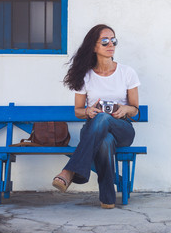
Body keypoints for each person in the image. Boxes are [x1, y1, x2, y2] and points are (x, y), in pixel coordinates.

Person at [52, 24, 140, 209]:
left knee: (104, 118)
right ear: (94, 46)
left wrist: (125, 109)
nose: (111, 44)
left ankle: (69, 171)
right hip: (95, 130)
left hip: (122, 128)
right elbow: (78, 111)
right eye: (105, 41)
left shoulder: (127, 72)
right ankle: (107, 199)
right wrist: (88, 111)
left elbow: (136, 110)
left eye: (113, 40)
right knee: (105, 139)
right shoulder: (85, 76)